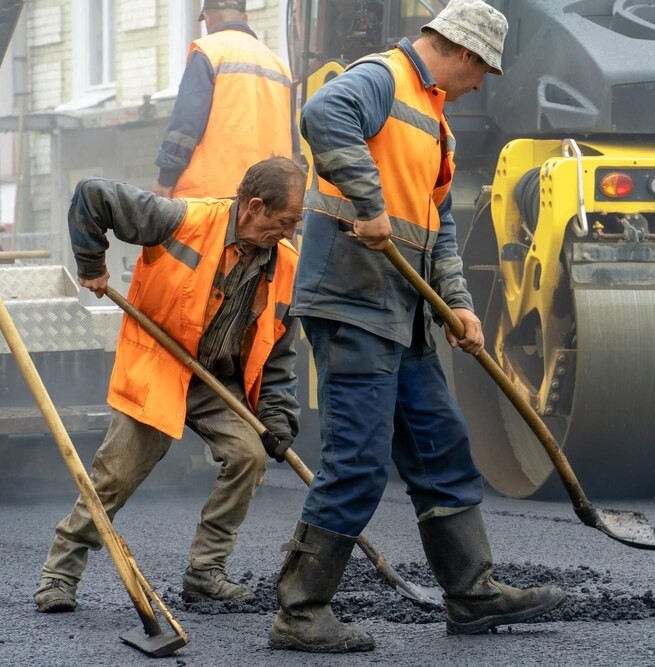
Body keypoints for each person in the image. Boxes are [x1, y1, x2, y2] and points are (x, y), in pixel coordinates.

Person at [268, 0, 565, 654]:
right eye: (483, 68)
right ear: (460, 52)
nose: (483, 82)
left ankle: (472, 592)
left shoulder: (436, 125)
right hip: (352, 301)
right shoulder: (380, 79)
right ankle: (300, 609)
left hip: (406, 313)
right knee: (359, 461)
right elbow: (321, 114)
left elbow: (440, 230)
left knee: (441, 446)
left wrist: (459, 305)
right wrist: (369, 205)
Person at [33, 156, 305, 612]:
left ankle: (205, 571)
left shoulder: (286, 266)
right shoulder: (184, 220)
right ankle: (59, 574)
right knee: (115, 477)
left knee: (249, 454)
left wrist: (277, 420)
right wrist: (91, 263)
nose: (290, 233)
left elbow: (277, 356)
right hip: (162, 364)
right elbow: (92, 194)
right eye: (285, 221)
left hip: (217, 381)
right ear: (254, 206)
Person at [152, 0, 297, 199]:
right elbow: (293, 139)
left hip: (217, 196)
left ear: (208, 20)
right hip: (270, 198)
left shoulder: (208, 52)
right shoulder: (278, 65)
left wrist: (166, 179)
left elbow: (185, 125)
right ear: (246, 19)